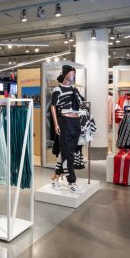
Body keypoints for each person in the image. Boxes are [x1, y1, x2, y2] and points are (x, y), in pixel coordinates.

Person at [49, 65, 85, 194]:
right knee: (68, 154)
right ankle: (71, 182)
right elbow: (53, 106)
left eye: (74, 74)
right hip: (65, 121)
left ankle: (55, 178)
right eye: (71, 73)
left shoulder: (74, 89)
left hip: (76, 122)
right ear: (65, 74)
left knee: (67, 152)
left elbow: (82, 102)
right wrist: (56, 124)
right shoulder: (57, 90)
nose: (73, 76)